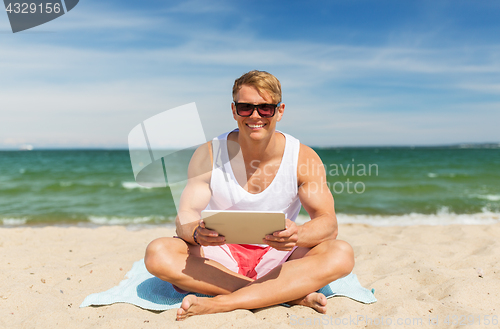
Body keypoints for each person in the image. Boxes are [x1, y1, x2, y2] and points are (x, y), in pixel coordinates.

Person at [144, 70, 354, 321]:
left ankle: (226, 302)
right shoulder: (209, 154)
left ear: (280, 110)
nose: (255, 116)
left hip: (280, 255)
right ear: (234, 111)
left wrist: (298, 234)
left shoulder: (302, 157)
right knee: (157, 252)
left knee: (341, 253)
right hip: (220, 255)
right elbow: (186, 215)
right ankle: (285, 294)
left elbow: (328, 223)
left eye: (265, 108)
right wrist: (196, 233)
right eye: (246, 108)